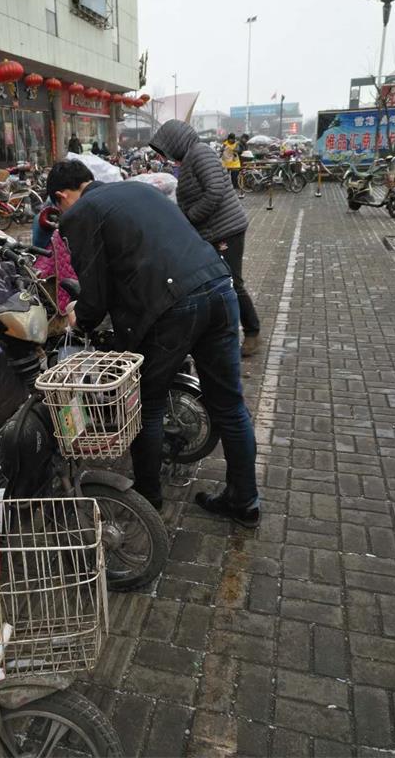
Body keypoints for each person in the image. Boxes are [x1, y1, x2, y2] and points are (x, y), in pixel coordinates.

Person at [46, 159, 260, 527]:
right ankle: (245, 500)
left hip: (174, 305)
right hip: (219, 287)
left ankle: (148, 501)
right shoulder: (138, 188)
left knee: (147, 403)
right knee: (229, 405)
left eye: (58, 206)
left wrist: (80, 316)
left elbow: (94, 292)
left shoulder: (80, 212)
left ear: (62, 196)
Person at [150, 119, 261, 357]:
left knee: (232, 282)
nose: (165, 156)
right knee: (217, 281)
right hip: (213, 231)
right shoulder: (190, 158)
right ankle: (220, 331)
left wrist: (190, 217)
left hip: (227, 230)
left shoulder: (200, 153)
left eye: (165, 150)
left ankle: (252, 331)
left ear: (174, 141)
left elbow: (214, 191)